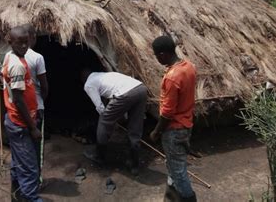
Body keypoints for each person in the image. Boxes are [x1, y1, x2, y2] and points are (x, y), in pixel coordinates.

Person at [149, 35, 197, 202]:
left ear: (162, 54)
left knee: (178, 172)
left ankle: (189, 198)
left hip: (174, 130)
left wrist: (156, 132)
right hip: (186, 125)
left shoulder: (172, 77)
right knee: (175, 164)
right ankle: (170, 197)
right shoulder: (189, 67)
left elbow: (168, 113)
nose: (157, 59)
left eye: (157, 56)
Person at [1, 26, 42, 202]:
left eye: (27, 41)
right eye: (20, 42)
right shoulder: (17, 65)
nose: (25, 45)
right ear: (10, 42)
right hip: (20, 124)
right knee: (30, 168)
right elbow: (18, 99)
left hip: (14, 121)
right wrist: (33, 127)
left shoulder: (11, 56)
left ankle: (16, 196)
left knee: (19, 161)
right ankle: (31, 198)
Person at [81, 69, 148, 175]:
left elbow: (99, 106)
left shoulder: (89, 84)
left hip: (125, 94)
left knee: (104, 121)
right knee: (135, 127)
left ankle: (99, 156)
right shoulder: (103, 75)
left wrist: (109, 118)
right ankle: (134, 163)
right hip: (141, 89)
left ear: (83, 78)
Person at [21, 23, 48, 184]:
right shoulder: (37, 57)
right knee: (36, 145)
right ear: (32, 37)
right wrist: (41, 100)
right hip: (35, 108)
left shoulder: (8, 56)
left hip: (16, 110)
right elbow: (44, 86)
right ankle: (35, 180)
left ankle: (22, 180)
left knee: (21, 145)